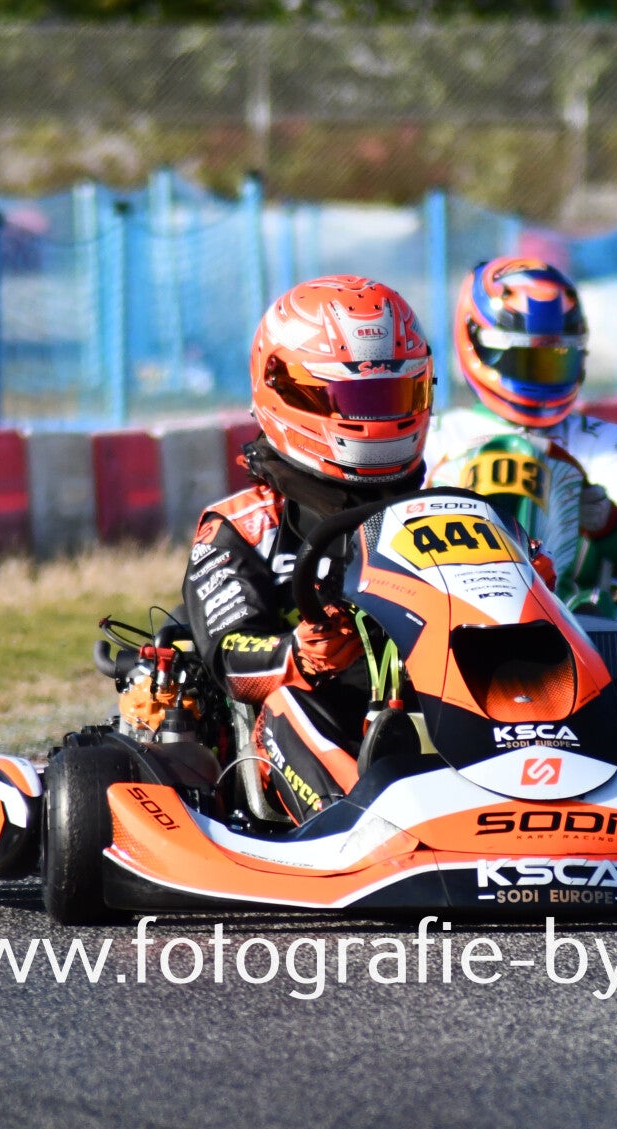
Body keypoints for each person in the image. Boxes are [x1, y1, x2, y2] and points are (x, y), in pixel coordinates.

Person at [183, 276, 433, 825]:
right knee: (289, 700)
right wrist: (297, 654)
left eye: (394, 398)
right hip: (304, 728)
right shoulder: (243, 527)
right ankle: (353, 824)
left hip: (439, 707)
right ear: (291, 393)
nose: (379, 421)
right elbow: (229, 651)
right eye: (359, 401)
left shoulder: (440, 512)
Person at [421, 258, 617, 615]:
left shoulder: (598, 441)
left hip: (570, 613)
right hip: (453, 607)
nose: (540, 377)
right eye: (525, 361)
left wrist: (606, 518)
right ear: (479, 345)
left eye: (553, 361)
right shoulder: (436, 436)